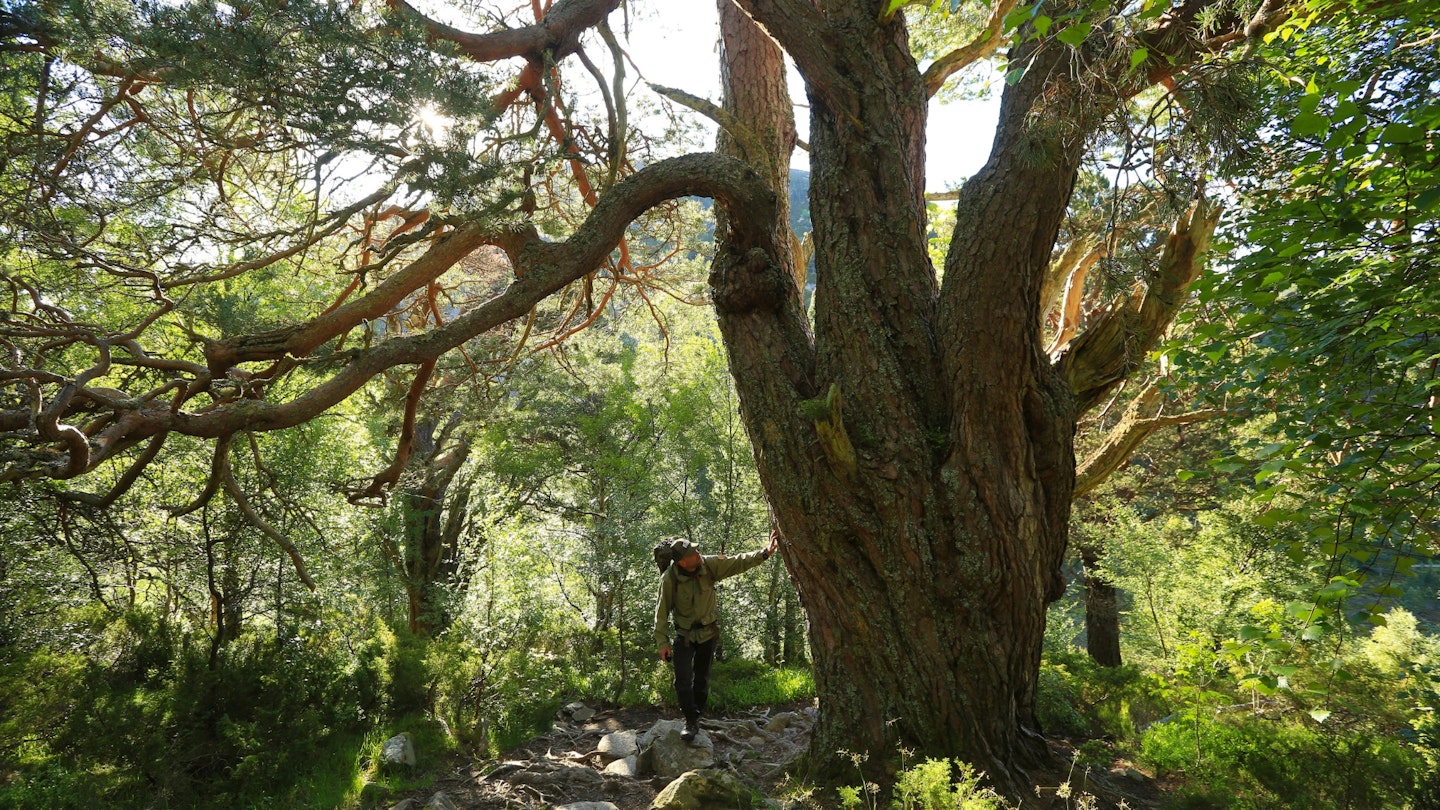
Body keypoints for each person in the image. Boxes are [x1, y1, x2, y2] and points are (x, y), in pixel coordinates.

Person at [654, 530, 780, 743]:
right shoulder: (669, 579)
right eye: (693, 553)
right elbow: (661, 612)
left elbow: (737, 562)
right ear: (683, 562)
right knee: (682, 681)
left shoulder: (709, 565)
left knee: (701, 679)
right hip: (684, 634)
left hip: (708, 633)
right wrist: (662, 642)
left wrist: (765, 553)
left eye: (696, 550)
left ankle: (696, 718)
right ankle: (690, 719)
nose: (698, 554)